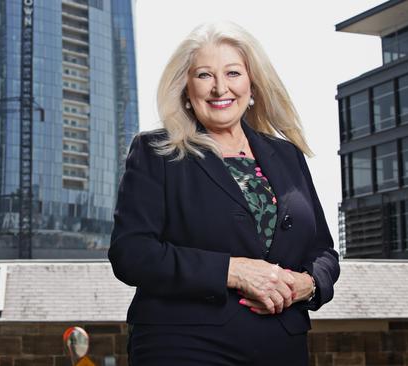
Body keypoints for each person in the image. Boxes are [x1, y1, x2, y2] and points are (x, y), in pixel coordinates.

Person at [108, 21, 340, 366]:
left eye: (233, 73)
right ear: (186, 89)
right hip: (185, 345)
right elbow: (131, 253)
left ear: (253, 85)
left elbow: (323, 250)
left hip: (281, 344)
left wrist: (307, 284)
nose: (220, 89)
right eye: (204, 75)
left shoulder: (288, 155)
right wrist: (232, 271)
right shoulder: (156, 151)